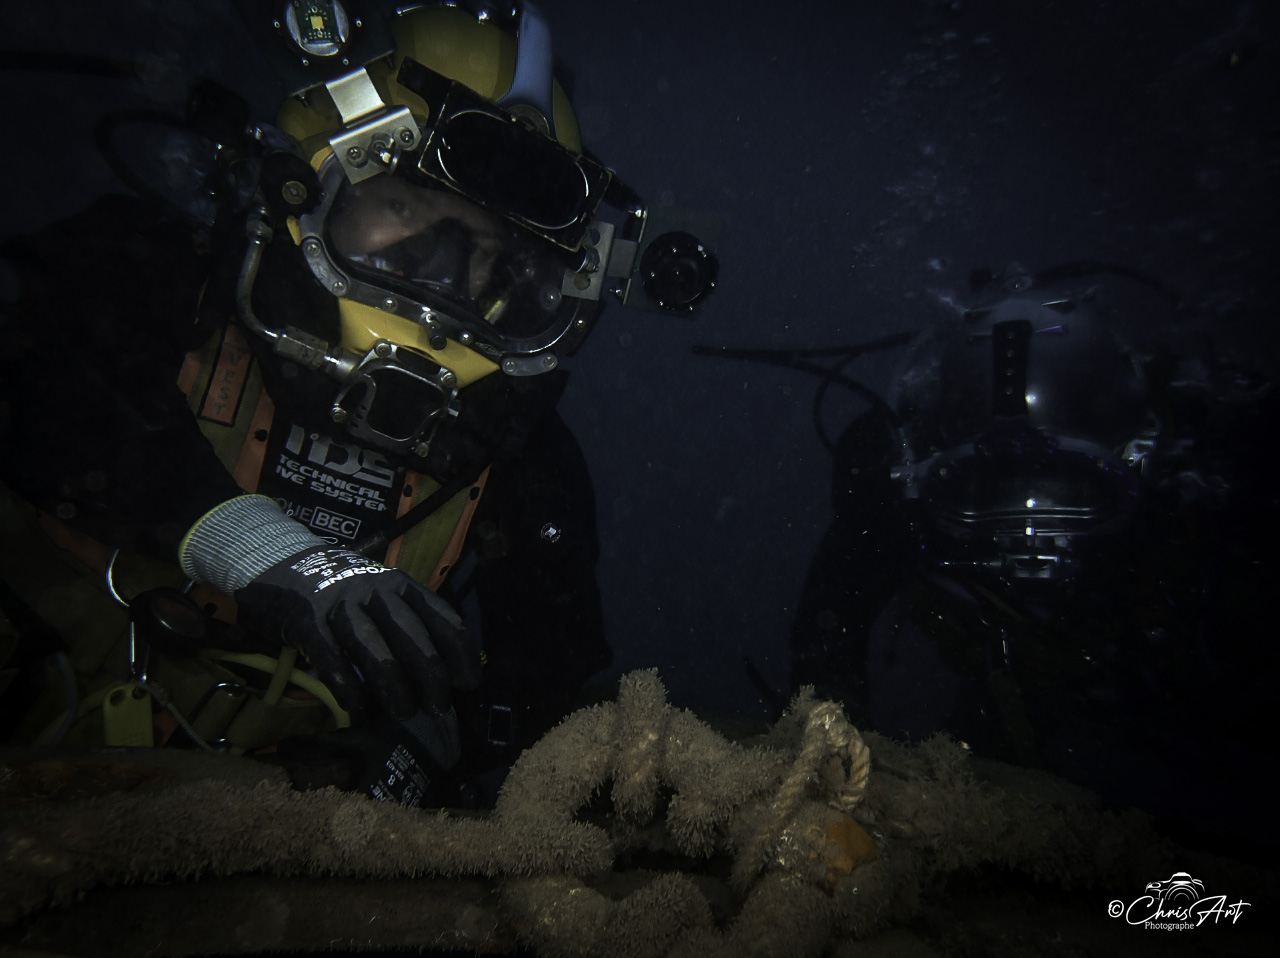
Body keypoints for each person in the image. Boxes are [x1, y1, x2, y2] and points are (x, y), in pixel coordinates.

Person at [0, 1, 710, 807]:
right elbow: (44, 400)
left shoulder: (522, 451)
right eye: (405, 209)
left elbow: (547, 680)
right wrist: (262, 552)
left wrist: (422, 743)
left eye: (490, 252)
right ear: (299, 183)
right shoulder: (144, 280)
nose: (444, 281)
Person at [788, 264, 1275, 846]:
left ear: (1137, 460)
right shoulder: (900, 505)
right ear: (934, 472)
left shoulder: (1193, 501)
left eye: (1066, 489)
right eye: (988, 492)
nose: (1030, 531)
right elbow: (830, 626)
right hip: (1007, 674)